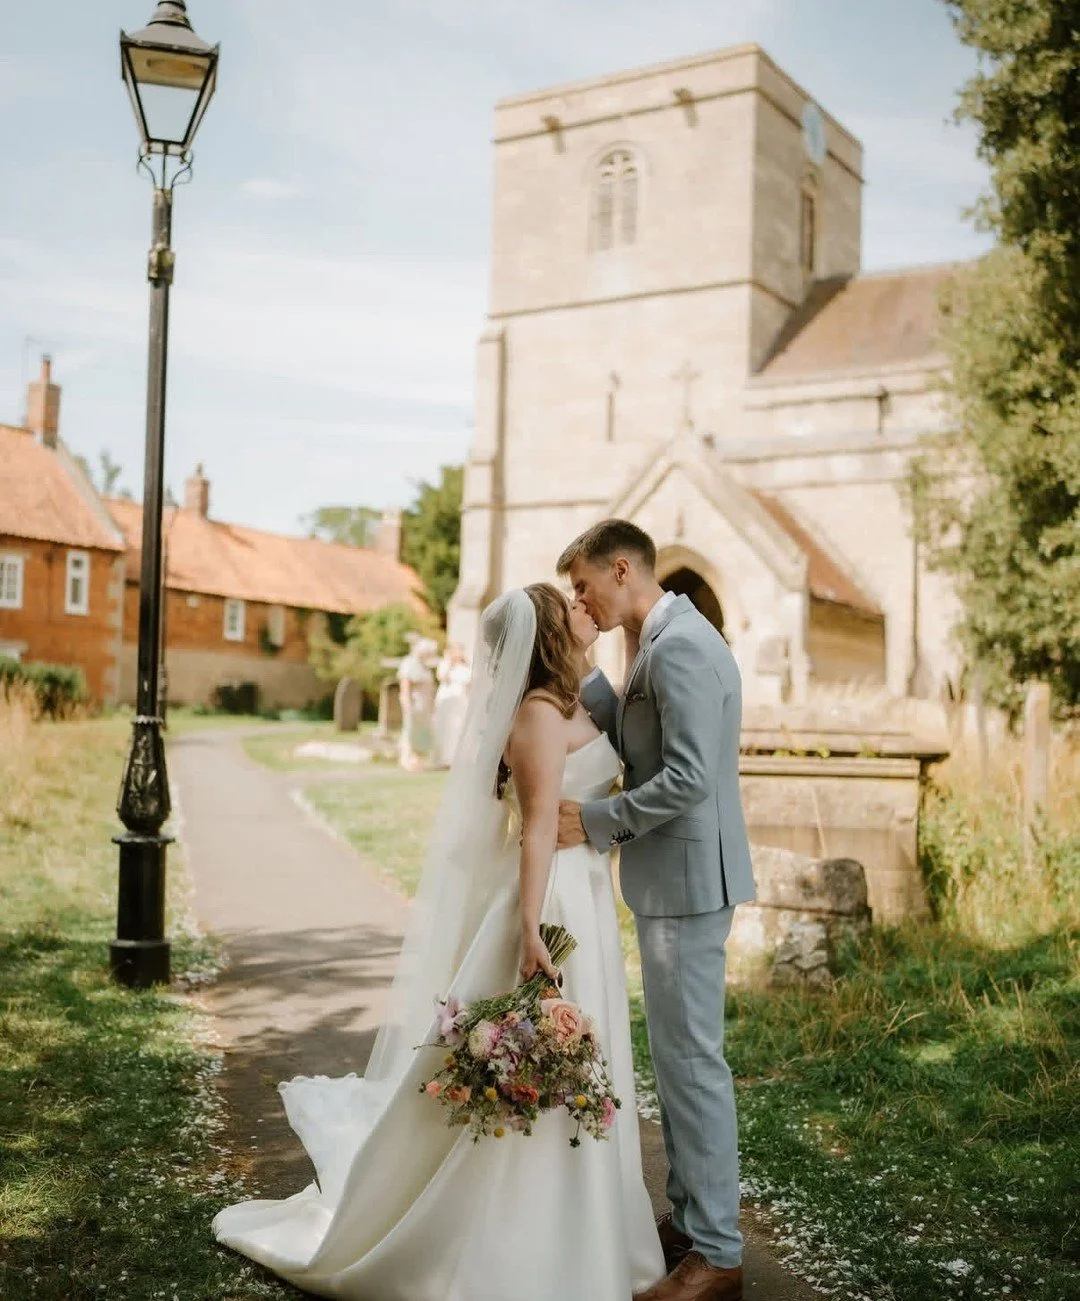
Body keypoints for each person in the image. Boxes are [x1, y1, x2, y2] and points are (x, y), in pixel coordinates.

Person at [211, 583, 666, 1301]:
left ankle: (594, 1234)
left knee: (587, 1055)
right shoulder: (539, 716)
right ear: (551, 631)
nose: (584, 606)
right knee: (545, 1056)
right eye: (570, 603)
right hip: (552, 899)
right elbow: (541, 825)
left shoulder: (583, 697)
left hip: (586, 895)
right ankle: (521, 1244)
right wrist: (528, 928)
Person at [556, 518, 756, 1301]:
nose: (582, 599)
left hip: (689, 884)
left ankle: (718, 1257)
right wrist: (579, 666)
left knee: (694, 1067)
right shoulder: (655, 644)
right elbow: (641, 739)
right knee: (678, 1064)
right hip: (672, 881)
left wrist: (596, 823)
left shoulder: (682, 647)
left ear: (621, 568)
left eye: (583, 585)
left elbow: (688, 778)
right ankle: (692, 1219)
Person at [396, 635, 436, 771]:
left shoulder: (424, 665)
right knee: (410, 729)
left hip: (424, 703)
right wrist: (407, 703)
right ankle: (405, 758)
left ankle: (416, 759)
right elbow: (405, 685)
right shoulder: (409, 663)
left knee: (420, 731)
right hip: (413, 701)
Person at [431, 642, 471, 768]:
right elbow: (442, 678)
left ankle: (456, 758)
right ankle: (443, 758)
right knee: (445, 726)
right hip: (447, 698)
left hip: (462, 699)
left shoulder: (466, 666)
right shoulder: (445, 664)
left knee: (459, 727)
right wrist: (449, 662)